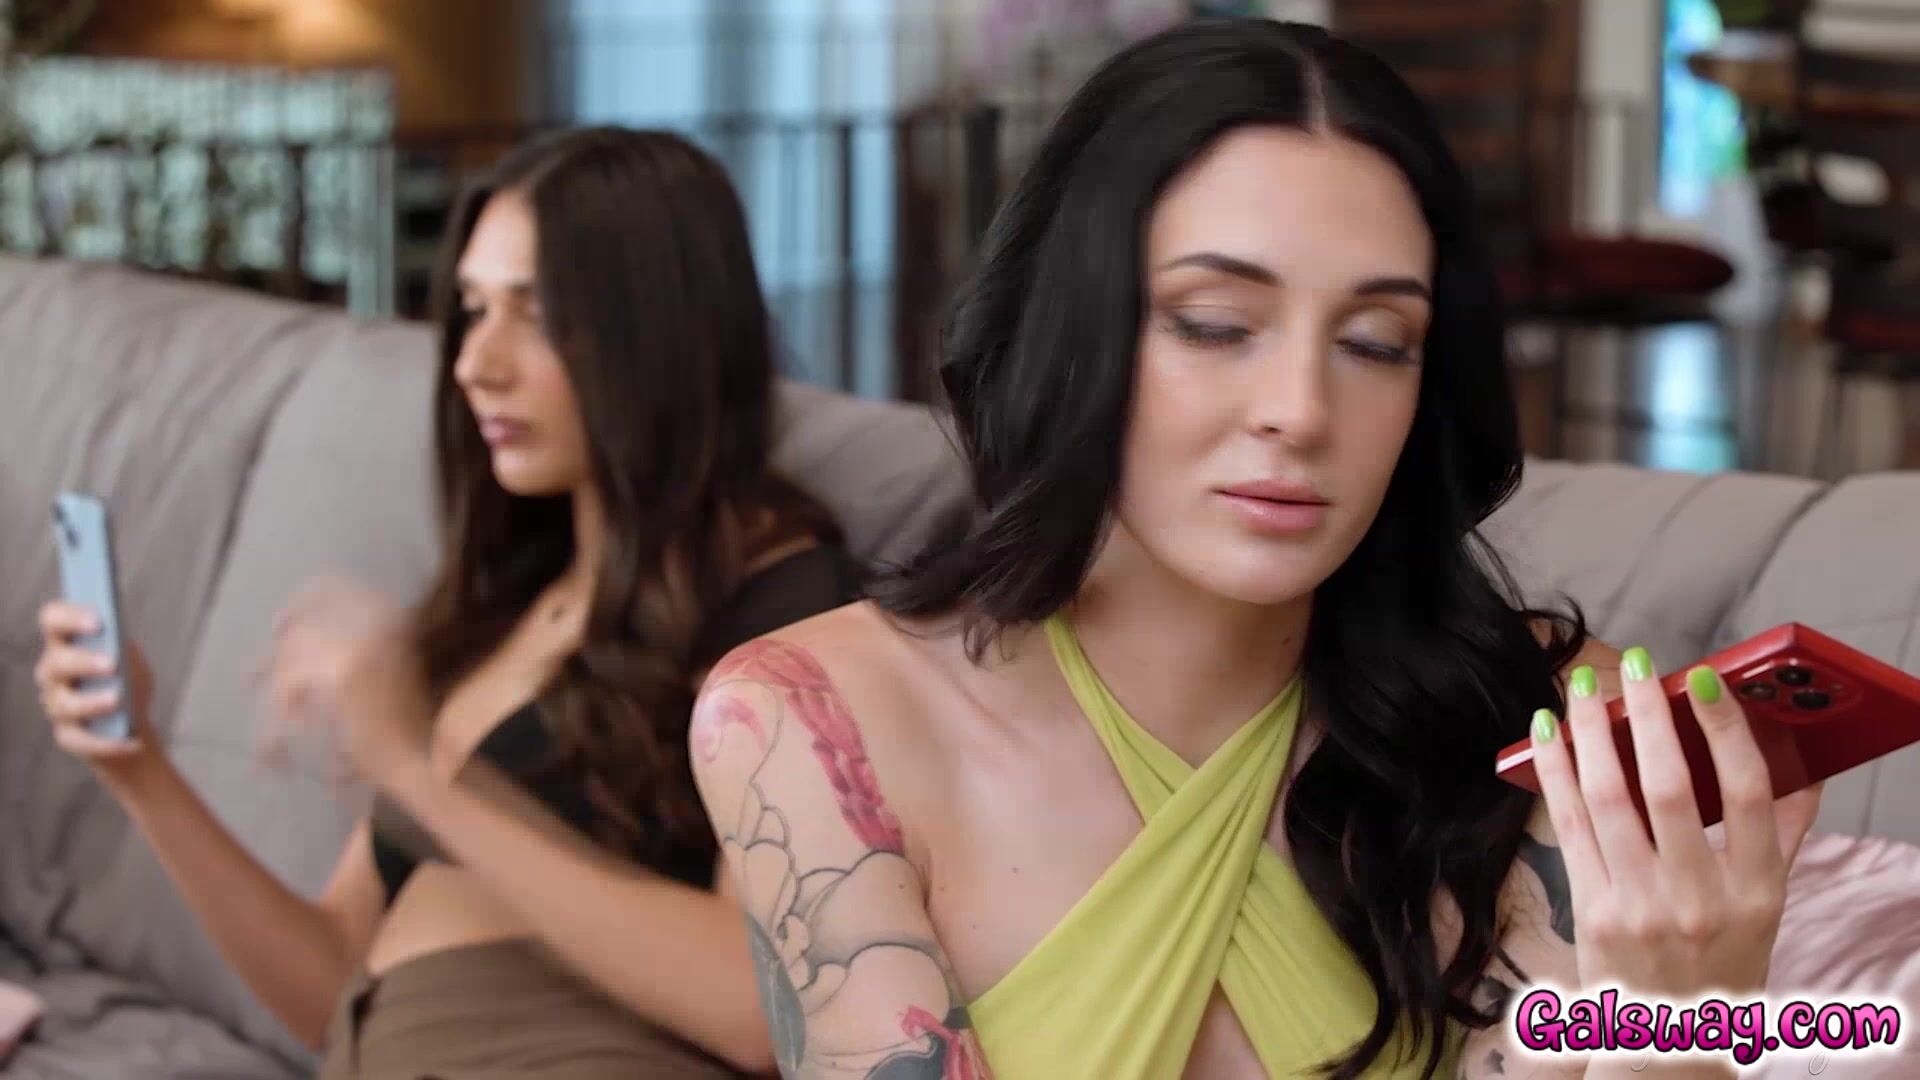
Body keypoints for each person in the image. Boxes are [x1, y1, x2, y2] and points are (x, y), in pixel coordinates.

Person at [686, 19, 1823, 1080]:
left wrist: (1680, 1027)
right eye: (1215, 324)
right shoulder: (815, 724)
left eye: (1376, 342)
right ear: (1064, 334)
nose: (1300, 410)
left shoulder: (1548, 735)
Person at [32, 126, 865, 1079]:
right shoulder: (508, 600)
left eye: (537, 313)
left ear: (662, 330)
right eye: (472, 309)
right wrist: (139, 771)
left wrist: (415, 770)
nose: (475, 362)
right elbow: (329, 985)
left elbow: (765, 1011)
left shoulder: (788, 600)